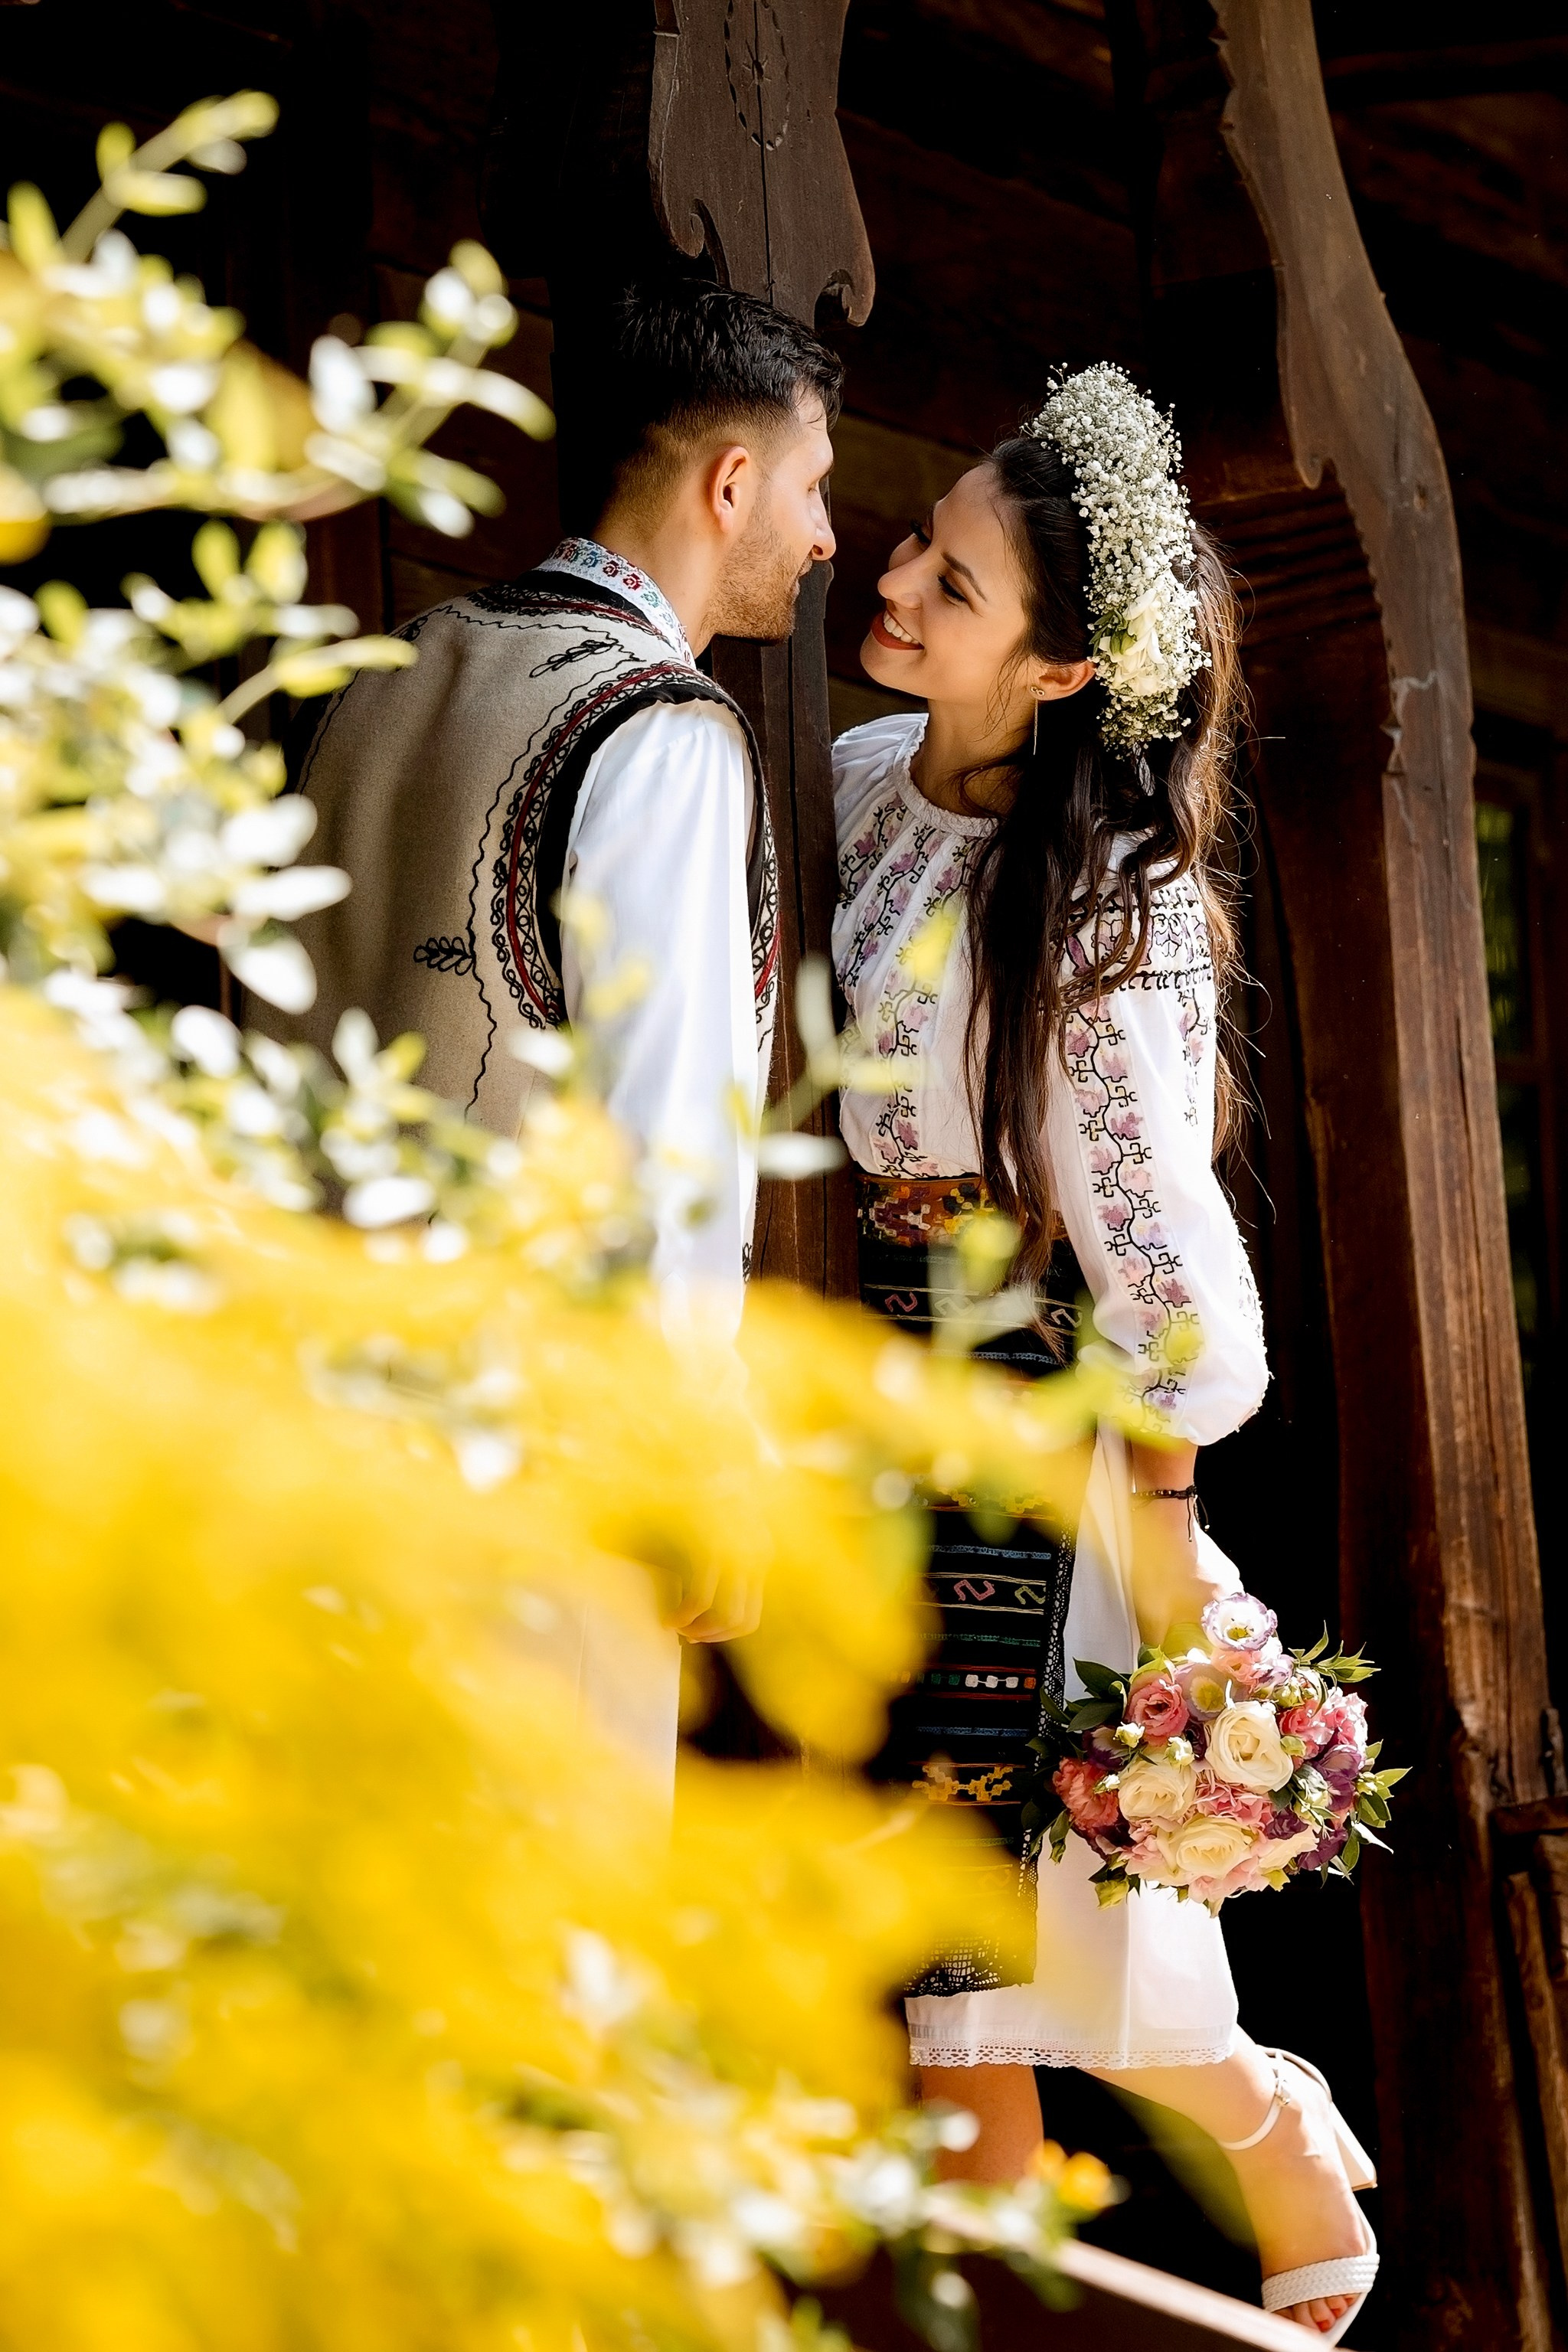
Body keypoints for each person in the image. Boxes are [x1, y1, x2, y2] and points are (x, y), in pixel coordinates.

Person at [831, 366, 1377, 2339]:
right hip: (871, 1393)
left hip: (1031, 1430)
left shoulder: (1113, 905)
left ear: (1061, 669)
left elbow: (1156, 1242)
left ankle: (1253, 2132)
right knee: (946, 1950)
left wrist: (1157, 1526)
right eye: (912, 541)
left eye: (952, 584)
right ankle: (1206, 2160)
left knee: (992, 1920)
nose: (894, 583)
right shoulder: (846, 783)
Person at [276, 279, 839, 1771]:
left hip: (299, 1439)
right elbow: (666, 1149)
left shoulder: (369, 687)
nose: (825, 535)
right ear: (732, 485)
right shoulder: (658, 731)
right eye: (812, 486)